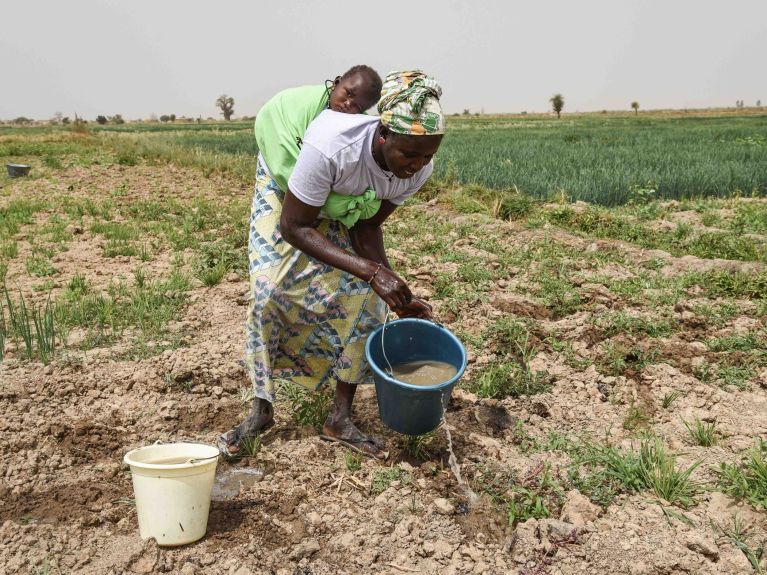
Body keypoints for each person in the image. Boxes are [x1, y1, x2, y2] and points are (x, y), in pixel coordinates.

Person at [220, 71, 445, 460]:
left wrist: (393, 288)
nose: (417, 166)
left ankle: (339, 418)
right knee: (268, 292)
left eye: (427, 156)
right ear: (382, 134)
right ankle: (261, 410)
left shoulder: (418, 169)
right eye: (408, 154)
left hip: (345, 200)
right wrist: (373, 271)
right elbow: (295, 226)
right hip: (291, 195)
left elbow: (367, 226)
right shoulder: (332, 147)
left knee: (368, 302)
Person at [254, 65, 383, 194]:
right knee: (271, 214)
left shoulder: (359, 129)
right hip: (274, 164)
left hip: (320, 182)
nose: (348, 104)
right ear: (336, 83)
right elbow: (284, 152)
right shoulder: (305, 104)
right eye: (348, 93)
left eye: (357, 105)